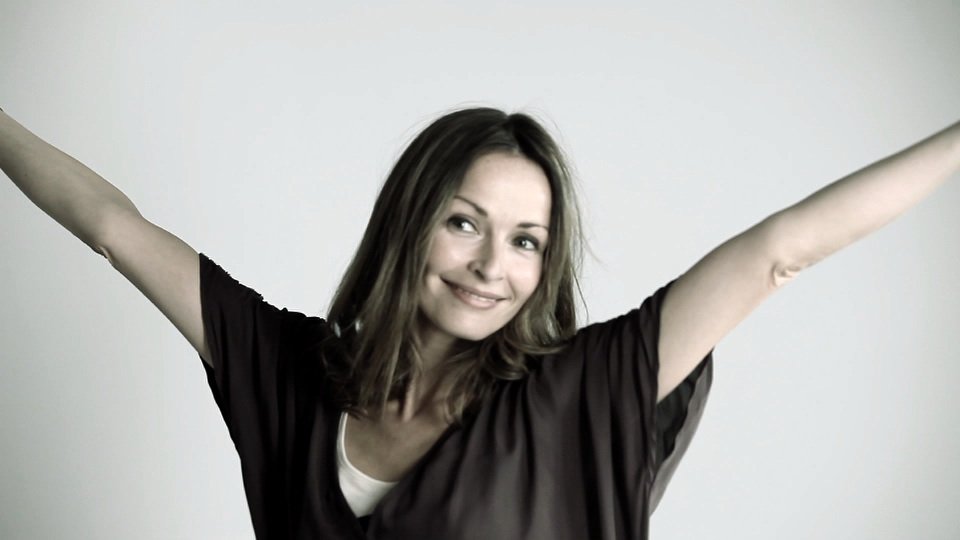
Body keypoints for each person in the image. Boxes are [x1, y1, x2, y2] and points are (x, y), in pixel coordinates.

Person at [1, 104, 958, 539]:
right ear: (411, 221)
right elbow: (114, 230)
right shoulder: (287, 370)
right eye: (464, 223)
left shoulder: (581, 390)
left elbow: (784, 249)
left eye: (526, 240)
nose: (493, 266)